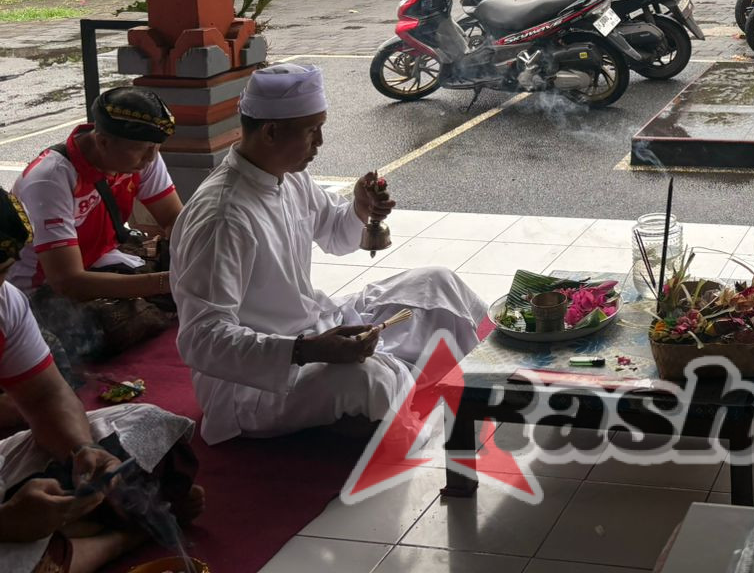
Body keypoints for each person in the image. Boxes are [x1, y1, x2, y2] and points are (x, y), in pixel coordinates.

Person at [169, 63, 486, 444]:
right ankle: (403, 402)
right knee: (369, 379)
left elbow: (336, 235)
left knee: (437, 283)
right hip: (251, 384)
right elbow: (201, 340)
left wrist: (359, 208)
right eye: (311, 131)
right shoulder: (223, 217)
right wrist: (305, 350)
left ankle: (482, 383)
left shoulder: (289, 175)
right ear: (270, 131)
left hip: (314, 327)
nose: (320, 142)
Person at [0, 191, 202, 573]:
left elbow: (44, 395)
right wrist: (8, 521)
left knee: (149, 423)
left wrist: (80, 452)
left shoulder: (5, 300)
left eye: (2, 272)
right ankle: (122, 536)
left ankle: (63, 534)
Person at [9, 89, 183, 363]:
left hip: (104, 262)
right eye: (144, 150)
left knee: (194, 267)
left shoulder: (141, 154)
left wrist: (189, 263)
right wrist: (165, 283)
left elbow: (177, 221)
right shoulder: (50, 180)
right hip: (43, 292)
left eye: (156, 148)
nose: (152, 158)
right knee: (103, 325)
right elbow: (68, 281)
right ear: (102, 142)